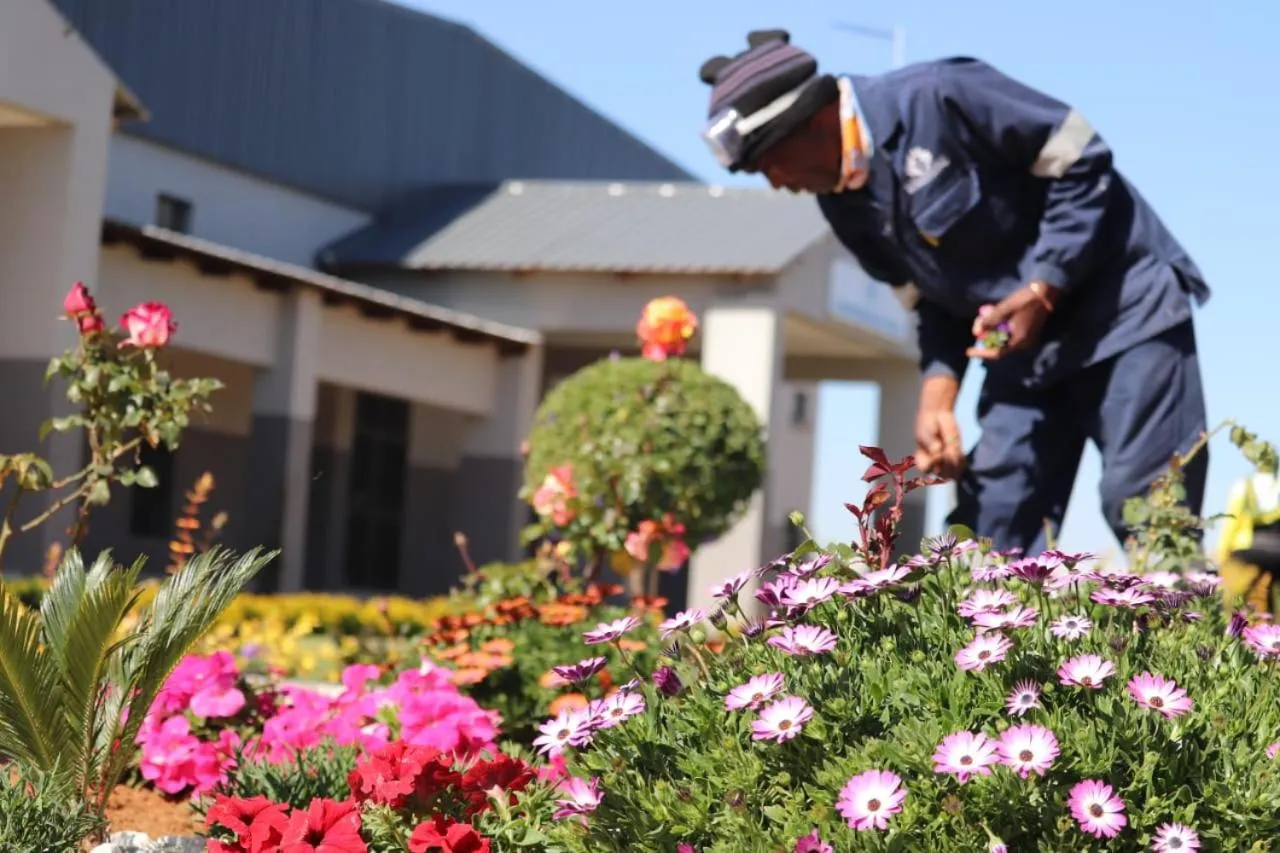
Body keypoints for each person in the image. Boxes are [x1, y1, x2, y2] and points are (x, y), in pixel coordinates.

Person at [697, 29, 1211, 555]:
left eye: (769, 165)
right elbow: (931, 304)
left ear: (809, 122)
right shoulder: (844, 207)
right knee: (991, 528)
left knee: (1154, 512)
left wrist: (1043, 287)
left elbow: (1082, 156)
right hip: (1021, 351)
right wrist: (937, 397)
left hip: (1125, 314)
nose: (777, 185)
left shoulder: (940, 94)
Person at [1216, 472, 1280, 613]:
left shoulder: (1243, 487)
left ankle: (1231, 625)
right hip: (1277, 551)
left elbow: (1230, 522)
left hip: (1248, 549)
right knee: (1273, 600)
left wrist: (1223, 553)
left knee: (1233, 598)